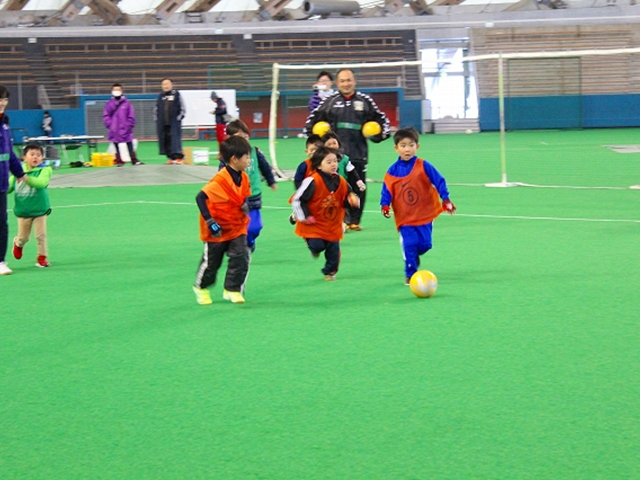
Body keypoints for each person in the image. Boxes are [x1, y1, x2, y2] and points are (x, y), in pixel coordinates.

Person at [305, 68, 390, 231]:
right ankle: (337, 219)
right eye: (342, 81)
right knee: (333, 187)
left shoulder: (365, 101)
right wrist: (316, 142)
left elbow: (382, 121)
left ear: (354, 81)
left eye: (349, 80)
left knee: (358, 187)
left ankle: (354, 221)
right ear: (337, 83)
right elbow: (312, 121)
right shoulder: (329, 101)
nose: (346, 84)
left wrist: (379, 135)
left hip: (358, 153)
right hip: (333, 156)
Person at [380, 127, 456, 285]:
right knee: (410, 244)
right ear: (396, 148)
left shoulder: (424, 166)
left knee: (425, 245)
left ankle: (414, 255)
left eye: (411, 145)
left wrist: (446, 199)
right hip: (405, 217)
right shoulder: (392, 171)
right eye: (403, 145)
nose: (407, 149)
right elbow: (386, 190)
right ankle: (410, 274)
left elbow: (439, 180)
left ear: (417, 146)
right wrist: (385, 205)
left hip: (424, 214)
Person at [192, 136, 252, 306]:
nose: (249, 160)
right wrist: (210, 221)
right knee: (212, 264)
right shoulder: (220, 180)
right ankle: (201, 287)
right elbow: (200, 197)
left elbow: (243, 196)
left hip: (236, 226)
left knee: (241, 256)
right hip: (216, 228)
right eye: (246, 157)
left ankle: (232, 289)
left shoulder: (244, 178)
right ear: (234, 159)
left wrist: (244, 205)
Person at [290, 146, 360, 281]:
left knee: (334, 249)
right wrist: (304, 216)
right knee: (318, 245)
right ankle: (312, 247)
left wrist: (351, 200)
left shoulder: (341, 181)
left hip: (332, 222)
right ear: (319, 165)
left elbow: (347, 195)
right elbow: (297, 200)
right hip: (313, 222)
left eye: (335, 161)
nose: (333, 164)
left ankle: (330, 272)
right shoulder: (312, 181)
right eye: (329, 162)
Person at [225, 119, 277, 253]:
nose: (244, 140)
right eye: (239, 137)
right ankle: (237, 245)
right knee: (237, 225)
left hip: (253, 194)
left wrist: (271, 181)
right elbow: (222, 175)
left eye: (245, 137)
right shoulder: (227, 156)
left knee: (255, 226)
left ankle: (249, 242)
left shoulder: (254, 151)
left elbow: (265, 166)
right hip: (236, 197)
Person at [9, 144, 52, 268]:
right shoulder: (17, 172)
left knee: (41, 235)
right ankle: (18, 244)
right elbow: (8, 187)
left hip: (40, 210)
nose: (35, 157)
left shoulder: (45, 170)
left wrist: (26, 178)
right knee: (23, 238)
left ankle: (42, 257)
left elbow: (41, 183)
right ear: (24, 158)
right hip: (23, 212)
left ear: (42, 158)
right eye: (32, 154)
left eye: (38, 155)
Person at [0, 85, 26, 275]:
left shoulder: (5, 123)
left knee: (2, 222)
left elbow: (9, 154)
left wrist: (20, 173)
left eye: (5, 100)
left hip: (1, 184)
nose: (3, 103)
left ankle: (0, 261)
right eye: (0, 99)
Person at [321, 131, 366, 227]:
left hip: (342, 187)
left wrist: (359, 182)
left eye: (334, 143)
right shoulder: (321, 160)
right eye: (329, 144)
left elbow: (352, 171)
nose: (332, 146)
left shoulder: (344, 159)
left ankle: (344, 221)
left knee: (344, 204)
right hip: (327, 187)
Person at [103, 83, 143, 166]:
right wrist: (110, 125)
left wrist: (129, 125)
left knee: (129, 143)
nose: (116, 91)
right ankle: (119, 160)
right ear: (111, 91)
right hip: (114, 129)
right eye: (115, 90)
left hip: (126, 129)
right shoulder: (109, 104)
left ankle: (134, 160)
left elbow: (131, 115)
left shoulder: (127, 104)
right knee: (115, 144)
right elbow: (106, 116)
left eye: (118, 90)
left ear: (122, 91)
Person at [288, 134, 324, 225]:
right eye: (311, 150)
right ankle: (296, 214)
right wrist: (302, 192)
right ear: (306, 151)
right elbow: (297, 180)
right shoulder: (304, 165)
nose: (313, 152)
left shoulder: (325, 165)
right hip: (307, 193)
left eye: (316, 150)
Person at [155, 78, 186, 165]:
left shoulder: (176, 94)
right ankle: (171, 157)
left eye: (167, 84)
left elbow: (182, 108)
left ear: (171, 85)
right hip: (163, 123)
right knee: (166, 140)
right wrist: (157, 120)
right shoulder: (161, 96)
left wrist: (178, 118)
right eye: (164, 84)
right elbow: (156, 109)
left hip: (174, 123)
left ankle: (179, 157)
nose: (166, 86)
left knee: (175, 140)